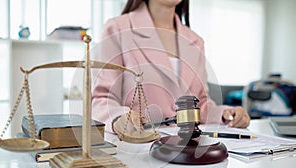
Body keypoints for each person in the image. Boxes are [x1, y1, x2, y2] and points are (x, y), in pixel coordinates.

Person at [91, 0, 250, 136]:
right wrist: (119, 118)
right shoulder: (118, 28)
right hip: (139, 146)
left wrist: (225, 114)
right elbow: (101, 99)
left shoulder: (195, 41)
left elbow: (200, 104)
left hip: (186, 147)